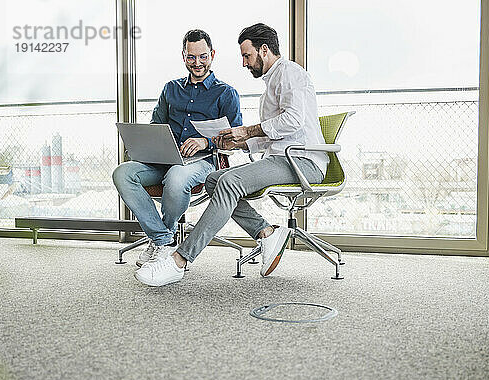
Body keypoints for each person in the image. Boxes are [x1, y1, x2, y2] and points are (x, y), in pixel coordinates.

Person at [134, 23, 329, 287]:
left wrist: (248, 131)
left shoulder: (290, 73)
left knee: (229, 182)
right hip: (282, 156)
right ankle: (266, 233)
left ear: (264, 50)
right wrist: (238, 142)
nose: (245, 63)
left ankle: (179, 260)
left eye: (247, 56)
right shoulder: (272, 81)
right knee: (215, 179)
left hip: (302, 161)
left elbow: (292, 121)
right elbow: (275, 134)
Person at [113, 29, 242, 267]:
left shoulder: (226, 93)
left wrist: (206, 141)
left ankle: (163, 237)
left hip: (202, 162)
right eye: (191, 57)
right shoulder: (171, 89)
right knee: (122, 173)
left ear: (212, 55)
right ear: (184, 56)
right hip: (164, 158)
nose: (197, 63)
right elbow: (156, 125)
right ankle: (162, 239)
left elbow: (236, 137)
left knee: (176, 176)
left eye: (203, 56)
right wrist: (148, 144)